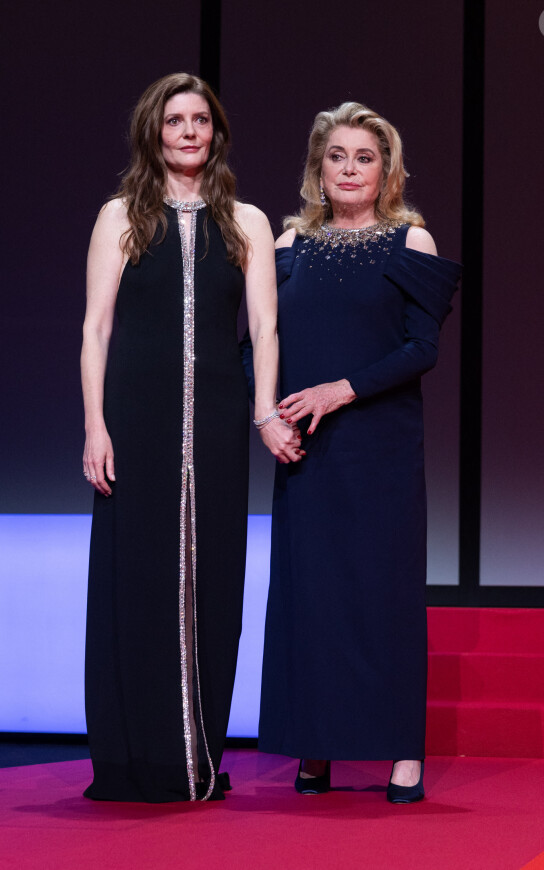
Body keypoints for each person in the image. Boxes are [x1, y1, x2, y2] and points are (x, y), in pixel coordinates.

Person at [81, 73, 300, 803]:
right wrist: (94, 423)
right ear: (154, 130)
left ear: (217, 131)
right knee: (136, 578)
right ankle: (130, 760)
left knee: (212, 581)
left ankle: (195, 759)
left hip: (215, 418)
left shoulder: (248, 220)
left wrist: (265, 410)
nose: (188, 131)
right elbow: (96, 329)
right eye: (175, 119)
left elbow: (266, 326)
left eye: (200, 119)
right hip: (135, 417)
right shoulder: (119, 216)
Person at [258, 102, 461, 803]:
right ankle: (317, 748)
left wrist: (339, 390)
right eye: (336, 156)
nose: (349, 169)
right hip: (304, 449)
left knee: (384, 600)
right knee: (312, 599)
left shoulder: (412, 242)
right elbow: (264, 345)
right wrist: (268, 419)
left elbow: (422, 349)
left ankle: (404, 753)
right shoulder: (286, 248)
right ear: (318, 169)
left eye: (364, 158)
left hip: (379, 446)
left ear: (387, 171)